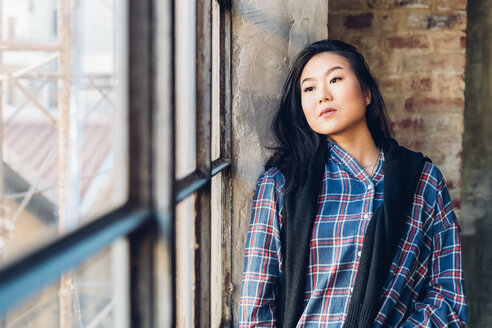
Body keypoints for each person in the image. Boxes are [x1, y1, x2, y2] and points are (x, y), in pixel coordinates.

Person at [239, 39, 467, 327]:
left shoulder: (422, 180)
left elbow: (449, 297)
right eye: (309, 88)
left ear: (367, 92)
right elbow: (256, 305)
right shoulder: (282, 183)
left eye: (335, 79)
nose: (322, 95)